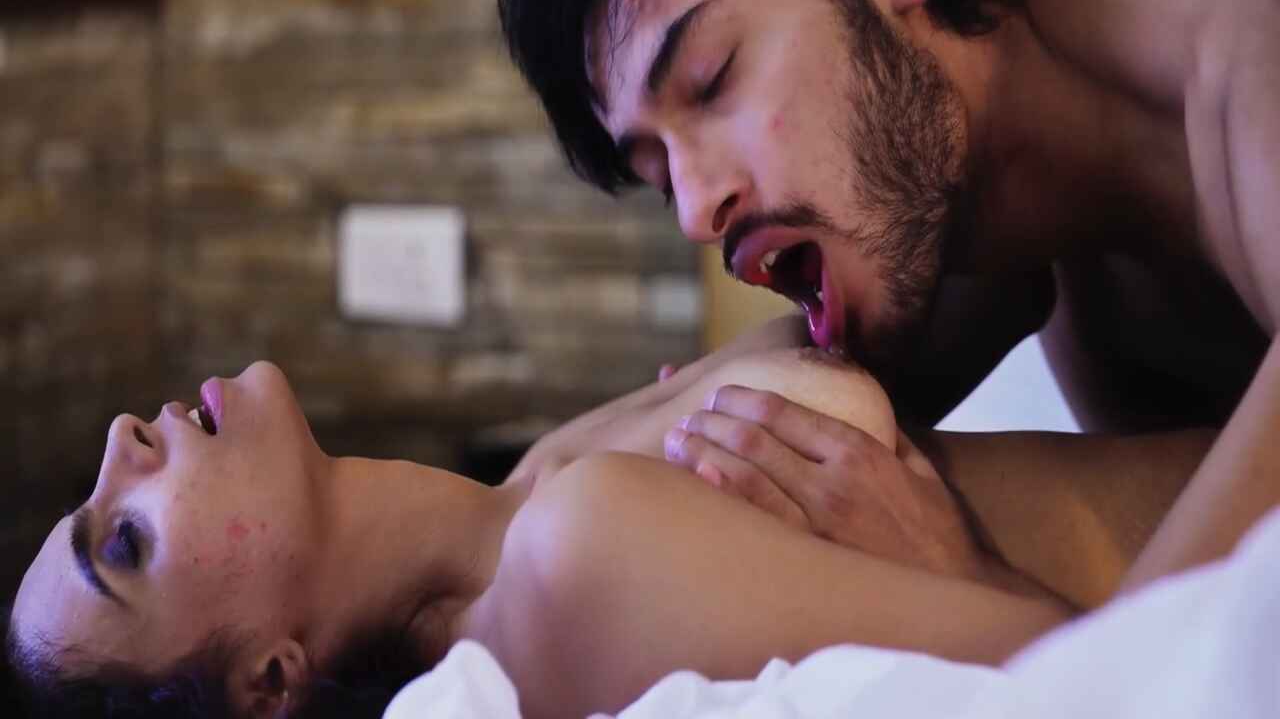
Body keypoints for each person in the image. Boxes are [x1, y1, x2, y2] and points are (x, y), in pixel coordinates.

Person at [497, 0, 1280, 592]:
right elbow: (591, 471)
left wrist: (974, 590)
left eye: (714, 77)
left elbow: (1171, 667)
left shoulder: (1250, 51)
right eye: (659, 175)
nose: (695, 211)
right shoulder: (985, 217)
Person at [6, 348, 1195, 719]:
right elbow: (1136, 680)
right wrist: (957, 563)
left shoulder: (536, 487)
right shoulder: (569, 565)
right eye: (124, 544)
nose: (120, 440)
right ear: (271, 678)